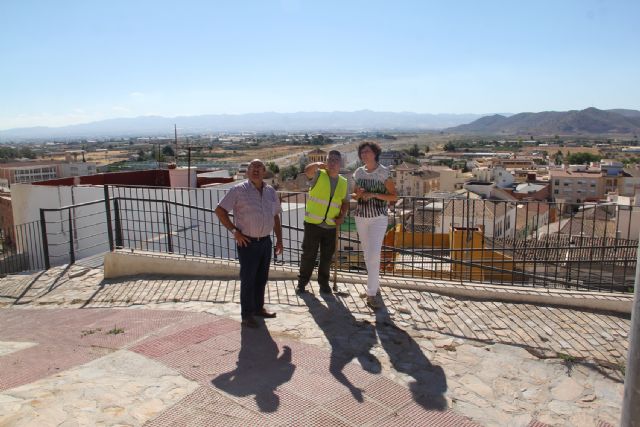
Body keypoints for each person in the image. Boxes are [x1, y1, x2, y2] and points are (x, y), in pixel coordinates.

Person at [215, 159, 283, 328]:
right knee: (248, 279)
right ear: (247, 171)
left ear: (265, 171)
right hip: (247, 243)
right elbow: (220, 211)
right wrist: (234, 231)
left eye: (259, 167)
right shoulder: (238, 190)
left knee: (261, 278)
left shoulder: (270, 192)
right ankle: (247, 315)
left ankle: (259, 308)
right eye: (253, 167)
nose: (256, 170)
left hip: (265, 242)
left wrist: (279, 240)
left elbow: (275, 216)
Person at [352, 141, 397, 309]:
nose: (364, 154)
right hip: (361, 217)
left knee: (374, 254)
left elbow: (394, 197)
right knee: (366, 254)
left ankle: (371, 293)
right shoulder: (358, 172)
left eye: (367, 151)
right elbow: (355, 196)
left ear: (375, 153)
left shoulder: (384, 173)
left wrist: (374, 194)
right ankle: (374, 287)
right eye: (362, 152)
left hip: (378, 218)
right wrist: (359, 194)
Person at [297, 150, 349, 294]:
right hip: (313, 223)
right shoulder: (319, 174)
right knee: (309, 255)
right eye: (330, 160)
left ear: (341, 164)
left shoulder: (344, 183)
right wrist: (317, 164)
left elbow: (345, 202)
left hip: (331, 225)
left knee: (327, 257)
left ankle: (324, 284)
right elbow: (307, 171)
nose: (332, 163)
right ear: (326, 162)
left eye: (336, 160)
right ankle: (302, 283)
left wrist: (342, 215)